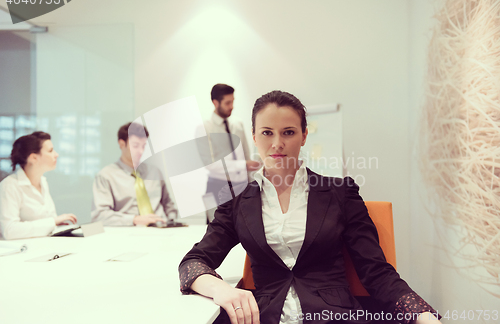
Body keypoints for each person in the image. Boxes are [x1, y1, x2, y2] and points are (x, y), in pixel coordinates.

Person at [179, 91, 442, 324]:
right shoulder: (236, 201)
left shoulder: (340, 192)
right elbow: (193, 262)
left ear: (304, 136)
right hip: (266, 315)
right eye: (267, 132)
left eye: (288, 132)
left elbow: (376, 271)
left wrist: (421, 315)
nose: (277, 143)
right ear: (254, 136)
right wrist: (221, 289)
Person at [91, 122, 178, 226]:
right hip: (128, 233)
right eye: (135, 146)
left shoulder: (155, 172)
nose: (141, 151)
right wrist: (134, 220)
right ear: (122, 144)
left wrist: (171, 221)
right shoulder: (106, 175)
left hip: (162, 230)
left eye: (143, 146)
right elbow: (99, 216)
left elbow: (169, 205)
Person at [200, 84, 261, 222]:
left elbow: (247, 155)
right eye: (228, 103)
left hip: (241, 186)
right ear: (215, 103)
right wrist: (243, 165)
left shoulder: (238, 124)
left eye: (232, 101)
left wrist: (253, 185)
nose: (231, 106)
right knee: (215, 230)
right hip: (216, 187)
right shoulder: (205, 128)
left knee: (246, 227)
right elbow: (210, 164)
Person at [0, 131, 78, 240]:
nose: (56, 154)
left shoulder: (43, 182)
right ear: (33, 158)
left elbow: (49, 221)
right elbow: (9, 230)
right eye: (50, 151)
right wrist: (52, 222)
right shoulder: (9, 186)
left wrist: (56, 225)